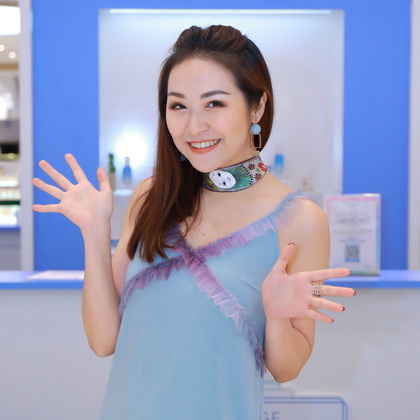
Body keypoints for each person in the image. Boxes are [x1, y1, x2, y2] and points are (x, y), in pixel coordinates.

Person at [33, 25, 355, 420]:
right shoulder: (152, 197)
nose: (193, 126)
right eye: (178, 106)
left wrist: (276, 315)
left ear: (257, 107)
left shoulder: (300, 220)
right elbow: (103, 340)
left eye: (214, 103)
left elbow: (287, 368)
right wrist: (95, 231)